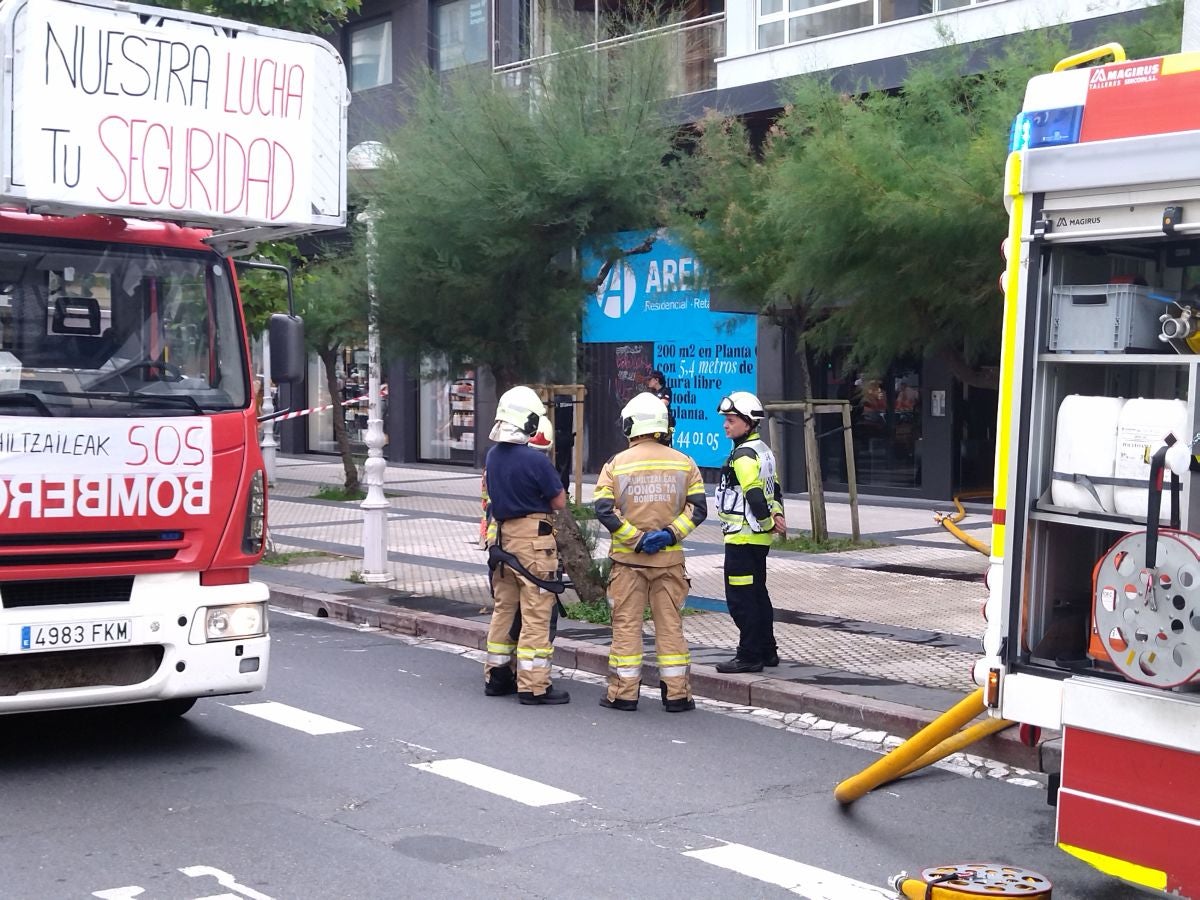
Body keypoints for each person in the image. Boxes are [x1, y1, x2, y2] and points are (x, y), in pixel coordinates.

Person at [593, 392, 707, 712]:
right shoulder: (685, 463)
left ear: (632, 425)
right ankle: (677, 695)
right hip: (669, 561)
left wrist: (636, 539)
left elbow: (604, 510)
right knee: (670, 626)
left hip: (628, 562)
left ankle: (624, 693)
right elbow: (697, 509)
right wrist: (669, 534)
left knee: (627, 626)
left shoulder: (616, 464)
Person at [481, 387, 571, 705]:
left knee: (504, 609)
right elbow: (559, 501)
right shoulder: (535, 459)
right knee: (536, 613)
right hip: (533, 542)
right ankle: (534, 685)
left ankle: (497, 674)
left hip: (502, 541)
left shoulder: (492, 456)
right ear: (528, 421)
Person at [713, 391, 785, 674]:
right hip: (757, 539)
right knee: (758, 595)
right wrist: (777, 515)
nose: (725, 425)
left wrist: (767, 520)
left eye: (731, 420)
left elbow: (755, 494)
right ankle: (767, 651)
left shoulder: (743, 456)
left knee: (741, 600)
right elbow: (774, 487)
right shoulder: (762, 450)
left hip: (742, 537)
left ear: (748, 422)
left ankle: (749, 655)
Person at [645, 369, 676, 446]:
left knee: (663, 445)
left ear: (656, 380)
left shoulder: (666, 390)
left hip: (663, 424)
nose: (648, 382)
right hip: (652, 423)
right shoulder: (651, 392)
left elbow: (664, 403)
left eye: (650, 379)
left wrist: (651, 404)